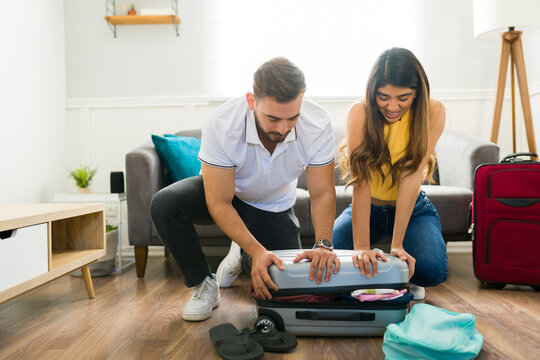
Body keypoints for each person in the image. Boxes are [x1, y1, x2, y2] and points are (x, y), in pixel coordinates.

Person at [150, 57, 341, 322]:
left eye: (292, 118)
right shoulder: (222, 123)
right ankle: (204, 282)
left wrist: (323, 245)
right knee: (165, 204)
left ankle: (238, 250)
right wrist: (258, 251)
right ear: (252, 101)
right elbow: (219, 202)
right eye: (273, 118)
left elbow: (321, 193)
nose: (283, 128)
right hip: (227, 195)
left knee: (283, 291)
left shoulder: (317, 123)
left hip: (271, 206)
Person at [333, 47, 448, 300]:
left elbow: (411, 176)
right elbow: (361, 183)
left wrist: (397, 245)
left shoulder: (434, 111)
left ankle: (389, 262)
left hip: (413, 207)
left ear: (417, 93)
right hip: (368, 207)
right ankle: (385, 265)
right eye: (383, 97)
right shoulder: (359, 113)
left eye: (403, 98)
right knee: (329, 261)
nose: (392, 106)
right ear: (372, 91)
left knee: (432, 271)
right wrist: (361, 248)